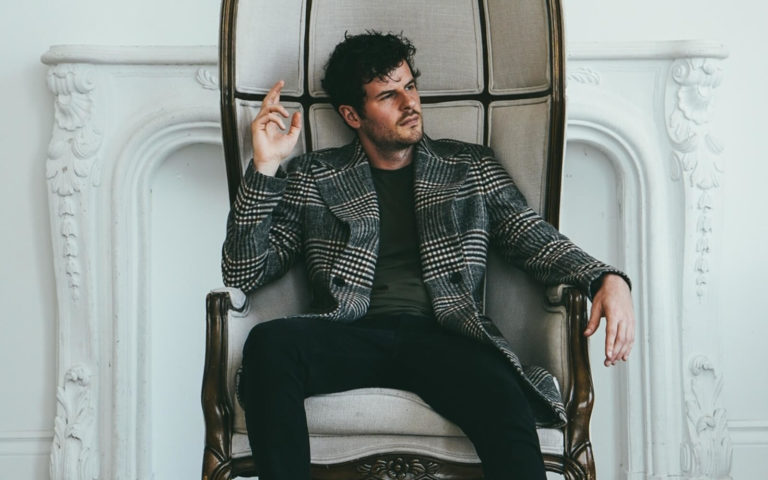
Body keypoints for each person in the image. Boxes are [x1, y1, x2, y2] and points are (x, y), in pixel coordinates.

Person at [222, 31, 634, 480]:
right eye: (388, 95)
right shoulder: (315, 175)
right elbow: (244, 270)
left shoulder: (470, 167)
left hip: (446, 336)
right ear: (352, 114)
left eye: (410, 86)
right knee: (269, 345)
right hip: (350, 333)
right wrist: (265, 167)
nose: (409, 103)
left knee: (502, 395)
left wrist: (604, 278)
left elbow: (533, 237)